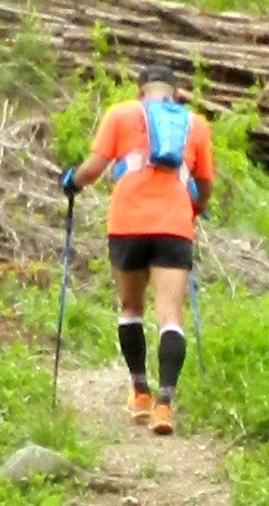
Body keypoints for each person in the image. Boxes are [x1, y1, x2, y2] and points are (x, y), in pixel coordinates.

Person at [62, 66, 215, 438]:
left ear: (140, 91)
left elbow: (93, 169)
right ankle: (165, 405)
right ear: (176, 94)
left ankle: (140, 391)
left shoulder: (121, 114)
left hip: (128, 223)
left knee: (131, 308)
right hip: (174, 226)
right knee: (170, 316)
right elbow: (206, 185)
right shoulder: (195, 124)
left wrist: (71, 182)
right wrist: (192, 210)